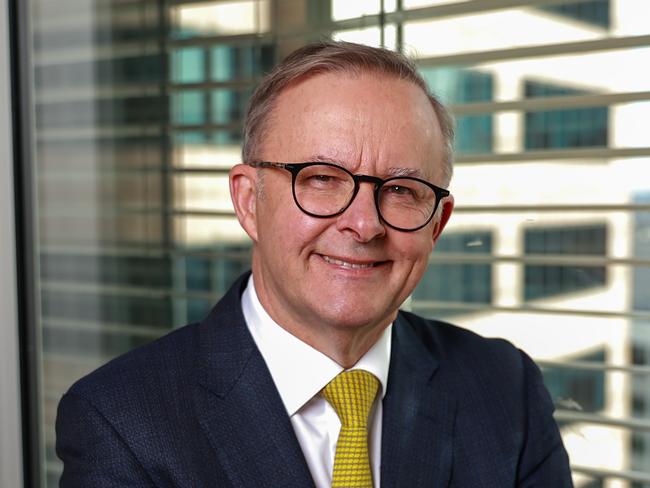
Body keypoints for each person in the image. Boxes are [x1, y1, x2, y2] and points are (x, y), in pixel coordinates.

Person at [56, 41, 573, 487]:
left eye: (400, 190)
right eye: (322, 178)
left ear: (437, 222)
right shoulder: (121, 421)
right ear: (249, 201)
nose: (364, 225)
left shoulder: (505, 388)